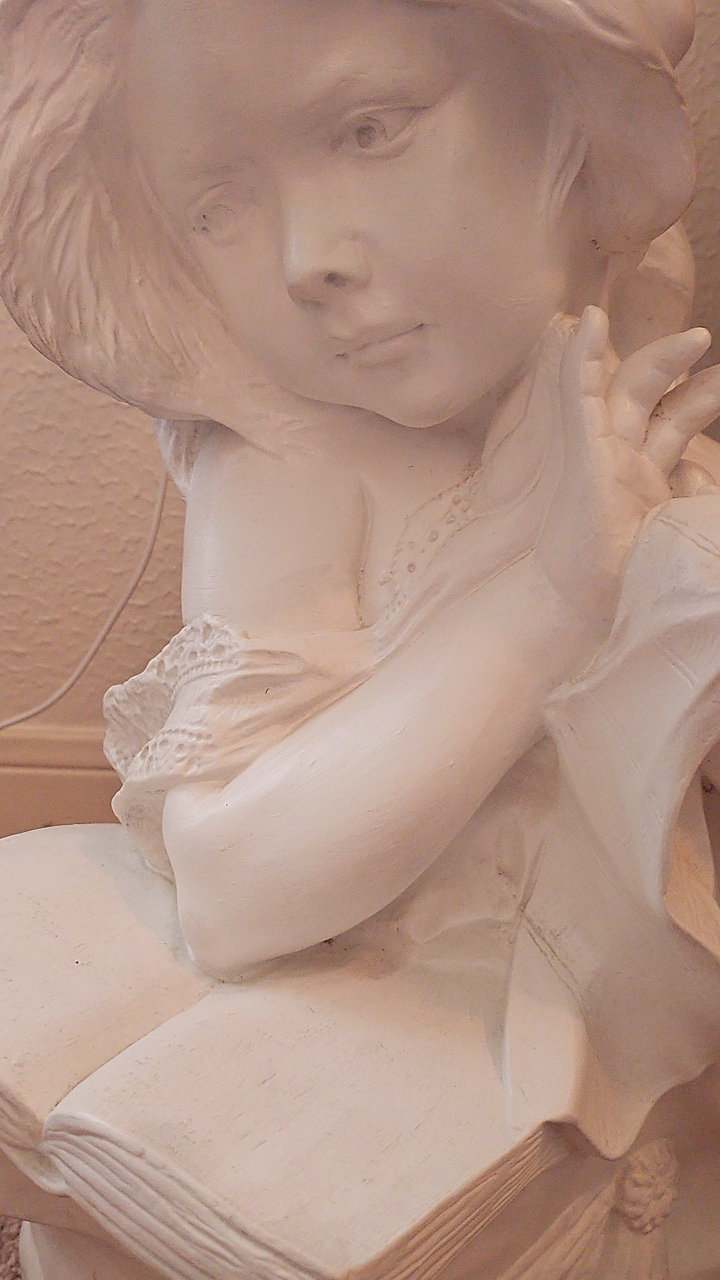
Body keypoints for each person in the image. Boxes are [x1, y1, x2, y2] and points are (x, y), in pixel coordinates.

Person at [0, 0, 719, 1008]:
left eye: (370, 130)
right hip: (387, 997)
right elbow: (229, 891)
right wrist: (552, 601)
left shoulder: (617, 368)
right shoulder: (295, 461)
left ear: (567, 90)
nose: (305, 261)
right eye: (217, 208)